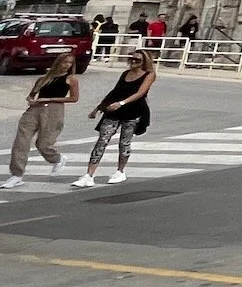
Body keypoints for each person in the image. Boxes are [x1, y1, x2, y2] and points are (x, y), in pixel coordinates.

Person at [74, 50, 156, 188]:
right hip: (114, 110)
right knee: (102, 140)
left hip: (133, 111)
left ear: (144, 62)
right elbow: (114, 91)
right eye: (132, 58)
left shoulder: (149, 75)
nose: (134, 62)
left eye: (138, 60)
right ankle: (89, 175)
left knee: (124, 142)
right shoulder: (125, 74)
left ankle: (120, 171)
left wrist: (122, 103)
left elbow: (140, 93)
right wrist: (98, 108)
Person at [4, 53, 79, 188]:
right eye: (64, 62)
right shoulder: (44, 79)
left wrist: (49, 99)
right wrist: (31, 100)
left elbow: (74, 98)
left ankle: (57, 159)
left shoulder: (71, 79)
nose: (67, 65)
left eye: (70, 63)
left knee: (44, 144)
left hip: (54, 110)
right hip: (35, 110)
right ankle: (17, 174)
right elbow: (31, 95)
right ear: (58, 62)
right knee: (21, 142)